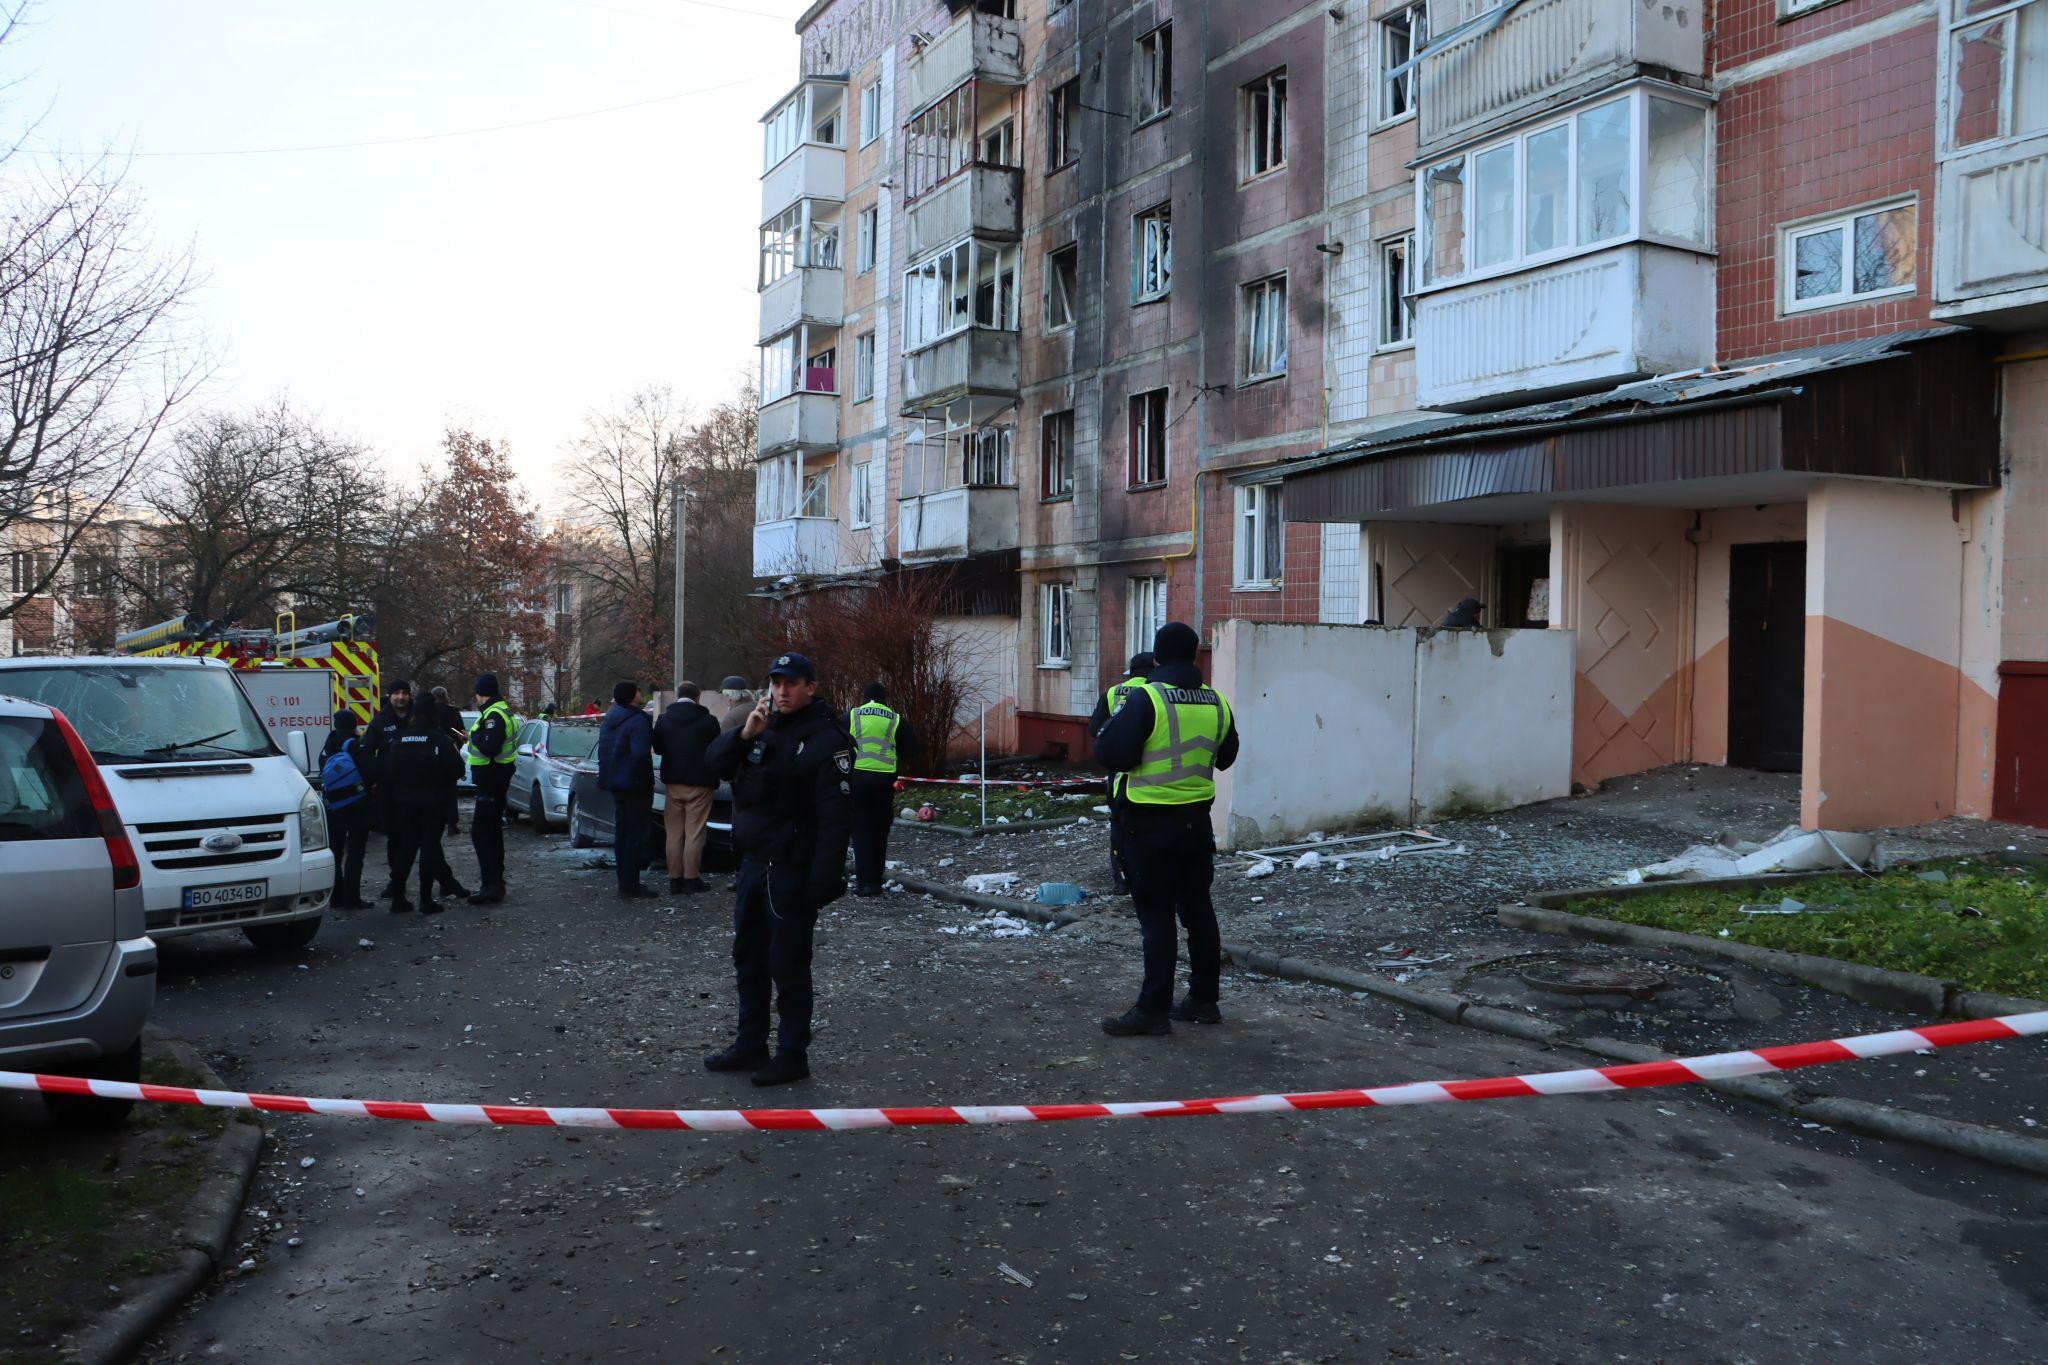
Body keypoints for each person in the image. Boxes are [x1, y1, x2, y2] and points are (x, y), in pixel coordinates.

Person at [703, 652, 853, 1087]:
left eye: (791, 683)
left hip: (791, 870)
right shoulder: (761, 726)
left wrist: (822, 883)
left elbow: (835, 819)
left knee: (787, 964)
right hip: (753, 865)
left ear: (810, 686)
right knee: (748, 959)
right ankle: (751, 1043)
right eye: (776, 683)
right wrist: (744, 736)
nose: (782, 691)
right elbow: (712, 765)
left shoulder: (825, 739)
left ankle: (792, 1054)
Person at [1091, 622, 1240, 1036]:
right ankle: (1203, 1000)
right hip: (1196, 824)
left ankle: (1153, 1009)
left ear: (1157, 657)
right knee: (1199, 912)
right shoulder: (1216, 701)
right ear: (1195, 656)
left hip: (1149, 823)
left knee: (1156, 917)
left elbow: (1110, 753)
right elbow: (1226, 757)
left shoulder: (1148, 697)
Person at [378, 695, 466, 914]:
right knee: (429, 848)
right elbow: (458, 770)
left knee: (406, 849)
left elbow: (389, 771)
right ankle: (426, 899)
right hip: (433, 803)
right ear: (433, 714)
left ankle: (398, 897)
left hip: (405, 803)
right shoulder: (440, 740)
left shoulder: (399, 739)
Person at [1089, 651, 1155, 896]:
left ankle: (1122, 878)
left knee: (1119, 825)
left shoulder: (1113, 692)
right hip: (1152, 773)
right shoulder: (1156, 694)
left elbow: (1095, 729)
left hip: (1117, 773)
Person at [846, 681, 915, 897]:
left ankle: (864, 882)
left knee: (861, 830)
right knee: (880, 830)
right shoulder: (894, 719)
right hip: (885, 782)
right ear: (885, 699)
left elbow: (837, 742)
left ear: (864, 697)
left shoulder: (853, 715)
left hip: (857, 778)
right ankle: (876, 880)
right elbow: (912, 749)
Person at [654, 681, 721, 896]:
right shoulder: (708, 721)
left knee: (673, 833)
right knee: (694, 833)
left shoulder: (664, 720)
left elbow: (658, 748)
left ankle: (675, 879)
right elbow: (717, 750)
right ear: (697, 697)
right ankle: (691, 878)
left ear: (677, 695)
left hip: (673, 783)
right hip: (701, 783)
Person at [463, 673, 520, 905]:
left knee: (482, 834)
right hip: (495, 779)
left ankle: (491, 886)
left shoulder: (493, 715)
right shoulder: (500, 710)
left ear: (480, 692)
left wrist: (474, 736)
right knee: (491, 834)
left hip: (492, 779)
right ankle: (495, 884)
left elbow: (489, 747)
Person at [598, 680, 657, 899]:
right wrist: (644, 780)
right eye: (639, 690)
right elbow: (641, 753)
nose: (641, 693)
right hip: (634, 784)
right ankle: (631, 883)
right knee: (635, 834)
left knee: (621, 833)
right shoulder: (637, 720)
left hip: (615, 782)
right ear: (633, 696)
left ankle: (624, 880)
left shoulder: (611, 718)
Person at [319, 711, 373, 910]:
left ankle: (335, 896)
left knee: (335, 851)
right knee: (355, 853)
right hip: (357, 806)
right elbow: (369, 772)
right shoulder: (354, 746)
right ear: (353, 725)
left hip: (333, 807)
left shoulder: (327, 746)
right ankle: (352, 896)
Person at [431, 686, 464, 836]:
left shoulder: (428, 712)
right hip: (449, 755)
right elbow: (461, 734)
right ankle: (452, 824)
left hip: (430, 756)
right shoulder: (453, 713)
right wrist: (456, 747)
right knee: (450, 791)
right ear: (445, 696)